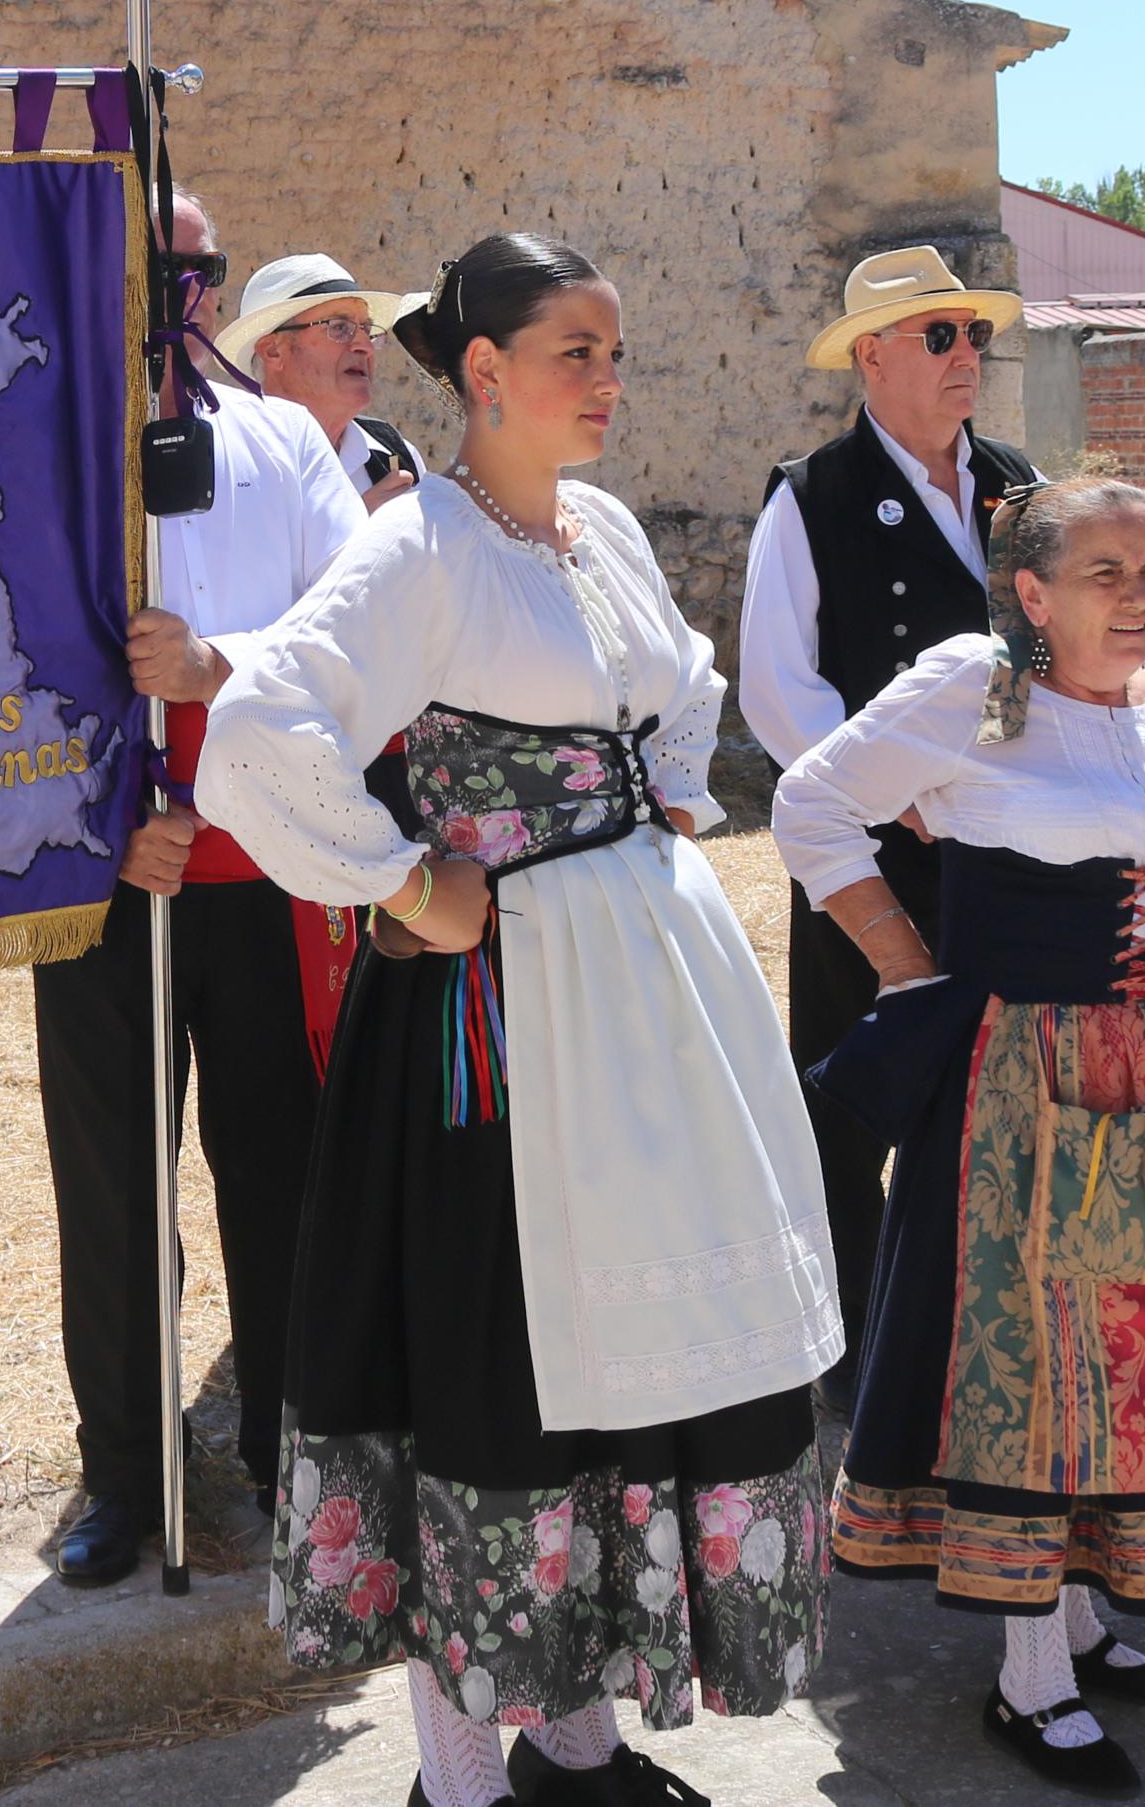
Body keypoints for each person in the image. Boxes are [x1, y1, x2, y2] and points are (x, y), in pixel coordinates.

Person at [198, 233, 840, 1807]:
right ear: (481, 372)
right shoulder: (416, 547)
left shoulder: (599, 526)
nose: (606, 382)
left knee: (626, 1362)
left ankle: (578, 1739)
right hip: (492, 1037)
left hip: (640, 1006)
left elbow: (678, 686)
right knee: (491, 1367)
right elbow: (258, 723)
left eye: (612, 351)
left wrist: (663, 803)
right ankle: (461, 1775)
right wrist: (411, 884)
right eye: (576, 351)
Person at [779, 477, 1145, 1797]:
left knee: (1138, 1354)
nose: (1136, 595)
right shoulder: (974, 685)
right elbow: (808, 802)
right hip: (1022, 1078)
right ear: (1030, 593)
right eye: (1102, 571)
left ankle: (1084, 1615)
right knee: (1033, 1362)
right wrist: (904, 963)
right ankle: (1030, 1680)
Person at [35, 190, 368, 1587]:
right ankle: (123, 1468)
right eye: (148, 262)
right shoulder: (29, 430)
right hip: (100, 868)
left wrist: (215, 661)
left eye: (196, 267)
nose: (173, 288)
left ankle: (294, 1455)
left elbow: (359, 625)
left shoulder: (281, 438)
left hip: (254, 865)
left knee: (281, 1172)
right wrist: (102, 819)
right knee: (112, 1184)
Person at [736, 245, 1039, 1384]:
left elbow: (1031, 647)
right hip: (863, 854)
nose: (968, 355)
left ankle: (975, 1340)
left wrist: (996, 772)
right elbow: (778, 684)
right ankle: (850, 1355)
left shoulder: (1017, 481)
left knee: (987, 1095)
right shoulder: (808, 494)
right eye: (939, 336)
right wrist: (891, 789)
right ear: (871, 355)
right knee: (848, 1101)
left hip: (994, 849)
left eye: (974, 335)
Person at [216, 250, 427, 506]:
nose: (365, 346)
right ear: (273, 351)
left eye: (367, 330)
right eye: (340, 327)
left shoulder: (394, 454)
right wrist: (363, 524)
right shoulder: (231, 460)